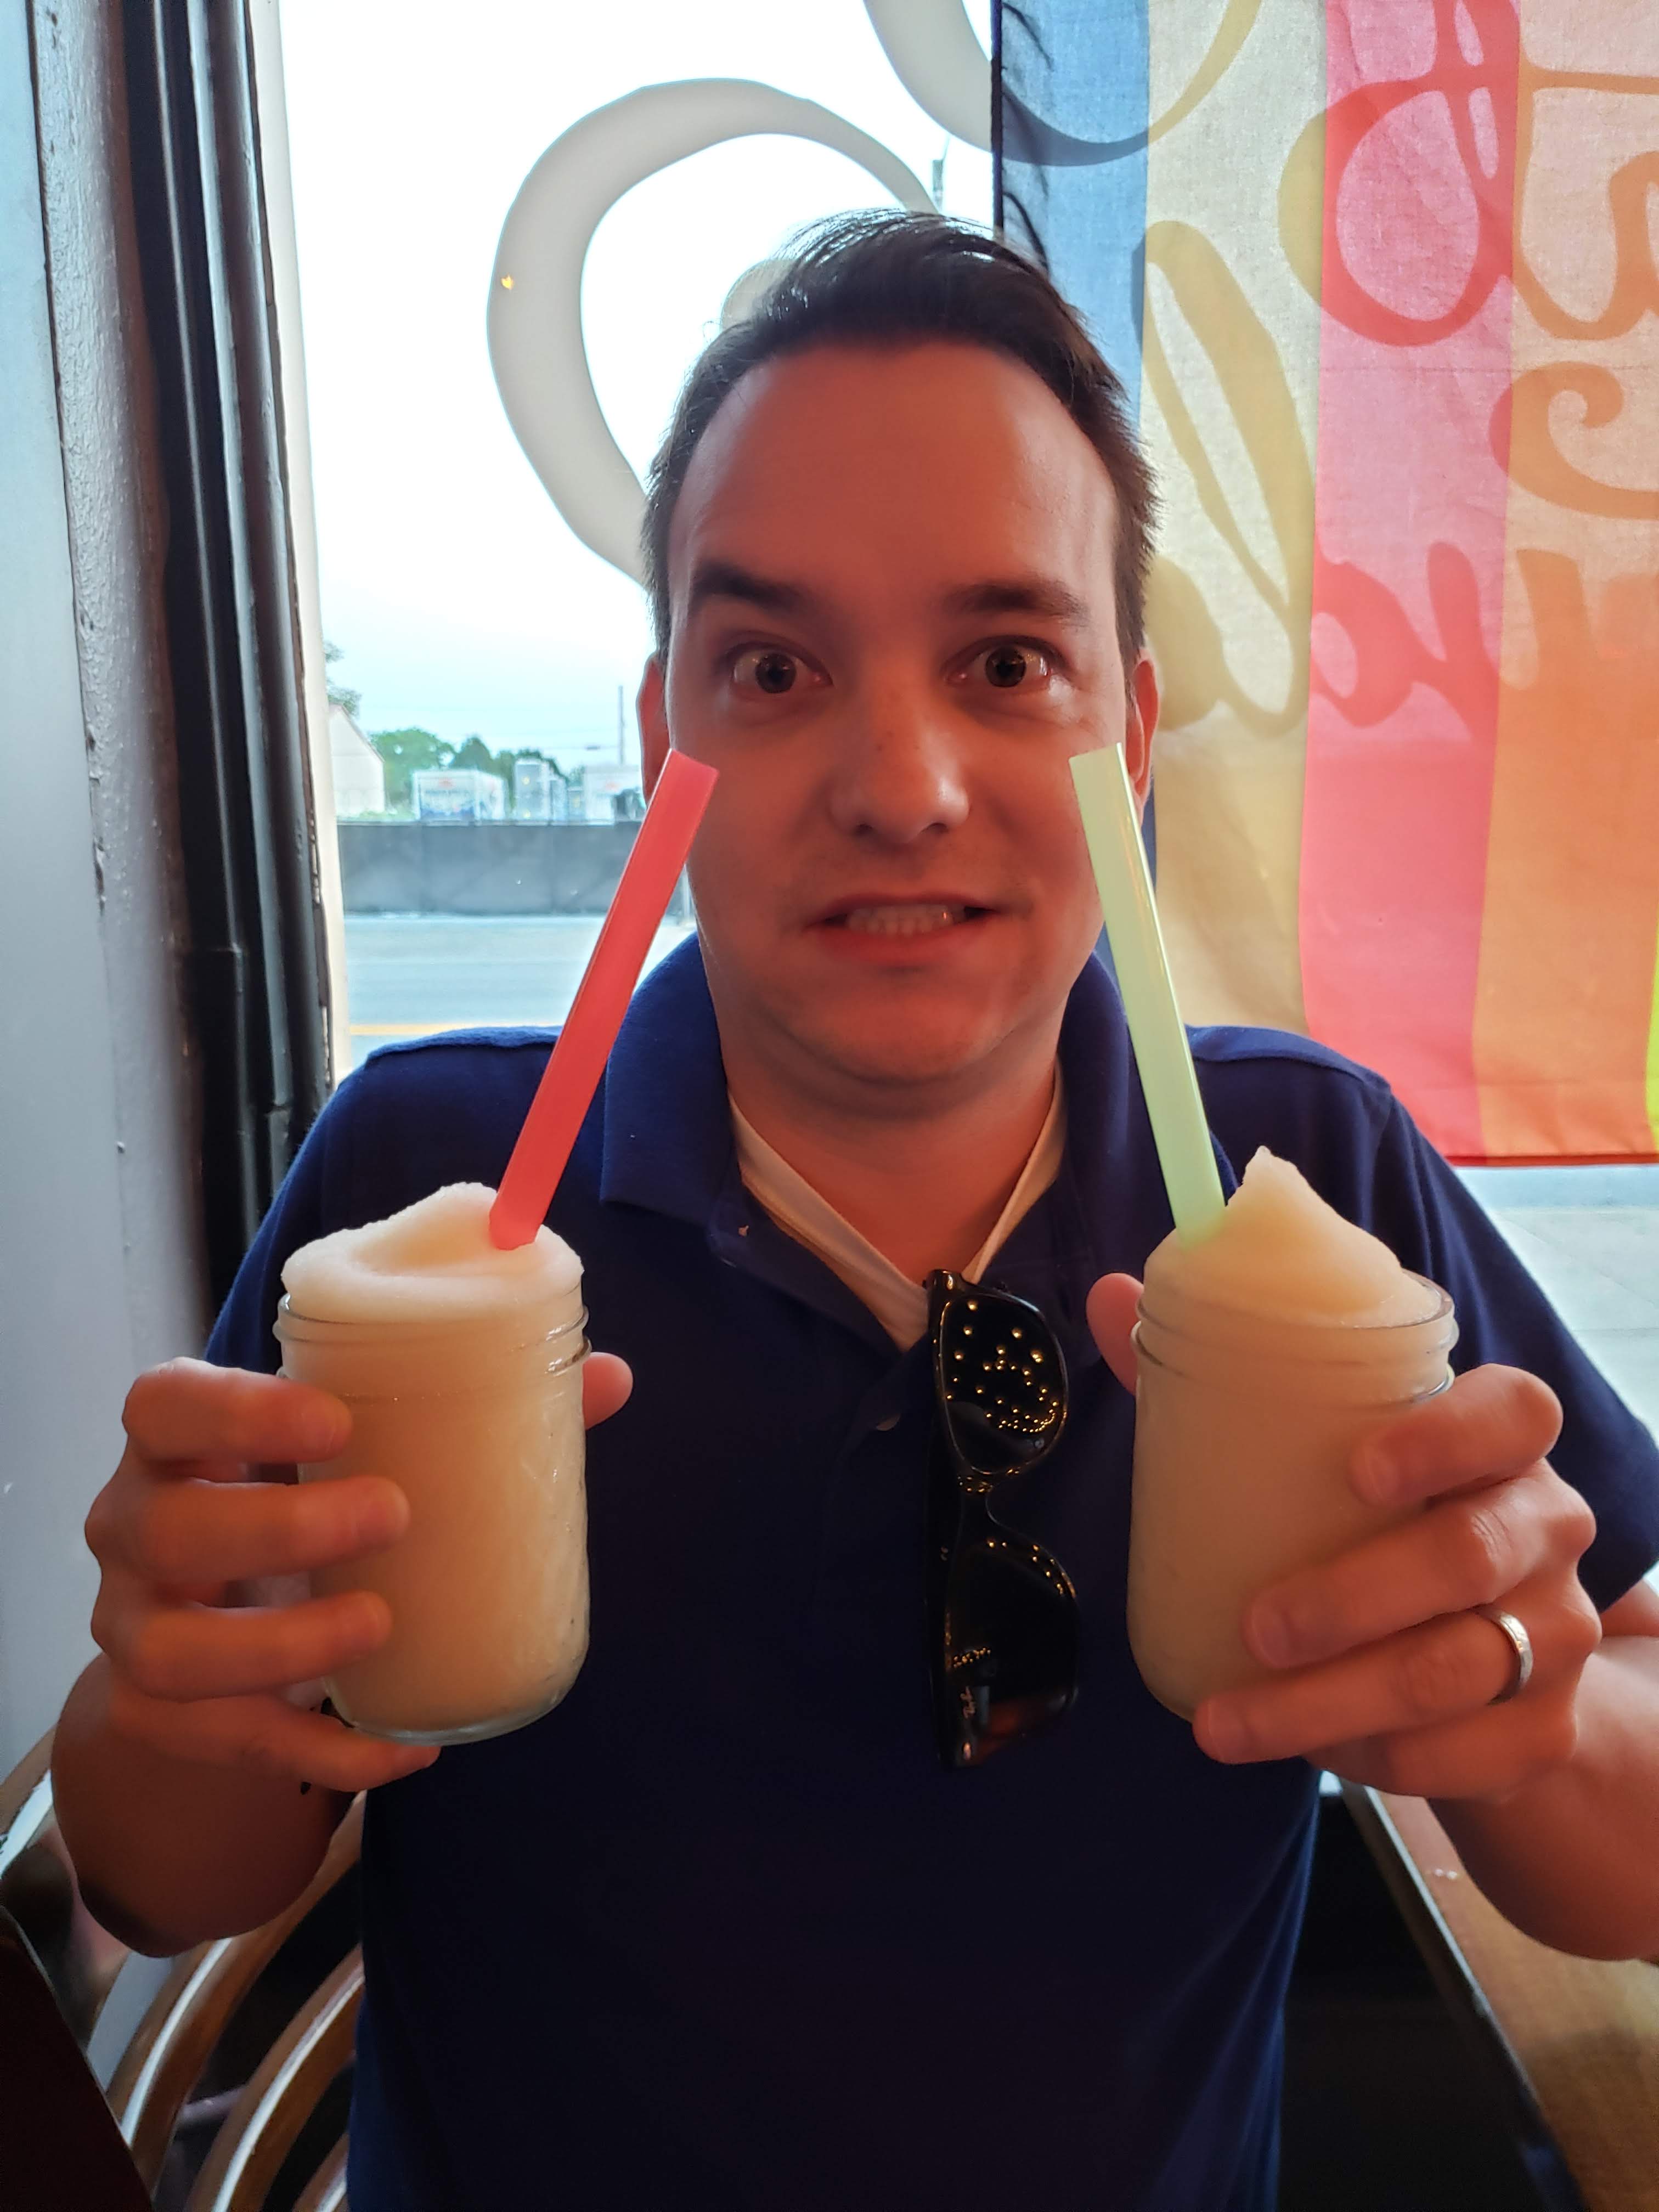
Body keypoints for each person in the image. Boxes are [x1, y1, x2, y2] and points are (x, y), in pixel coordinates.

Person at [53, 215, 1659, 2210]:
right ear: (670, 742)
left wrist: (1529, 1712)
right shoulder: (432, 1187)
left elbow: (1630, 1856)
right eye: (774, 668)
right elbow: (163, 1878)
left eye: (1007, 663)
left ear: (1130, 737)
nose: (902, 786)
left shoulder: (1308, 1178)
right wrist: (174, 1687)